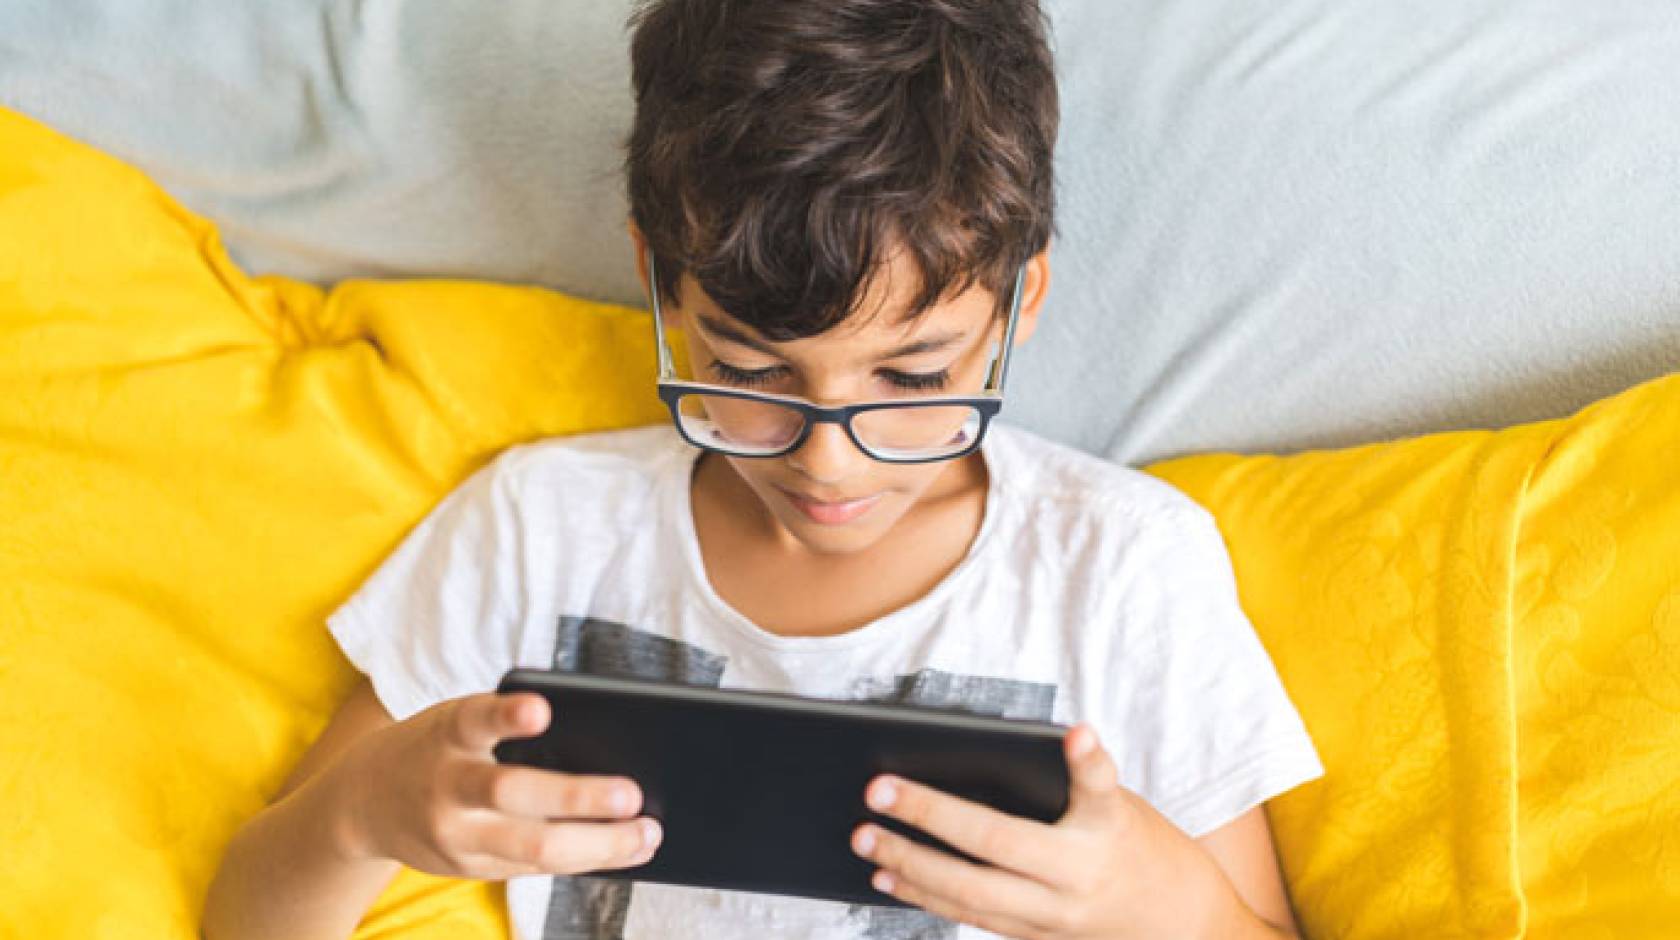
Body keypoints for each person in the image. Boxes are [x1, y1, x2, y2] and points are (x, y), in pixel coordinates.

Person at [202, 1, 1322, 937]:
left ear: (1019, 298)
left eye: (915, 381)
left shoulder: (1123, 567)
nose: (827, 460)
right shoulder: (537, 530)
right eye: (748, 371)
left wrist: (1153, 898)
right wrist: (357, 816)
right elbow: (245, 914)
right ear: (659, 284)